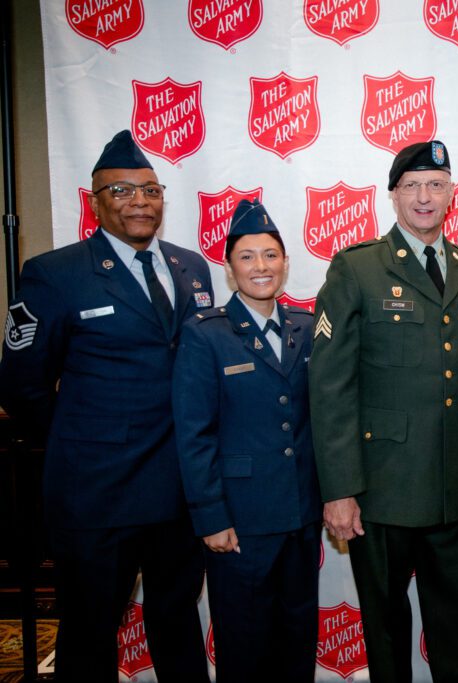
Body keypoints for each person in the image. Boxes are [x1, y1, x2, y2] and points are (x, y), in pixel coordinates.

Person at [0, 130, 212, 682]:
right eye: (121, 191)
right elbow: (21, 386)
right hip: (97, 493)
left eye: (150, 190)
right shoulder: (55, 273)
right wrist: (83, 437)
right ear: (95, 202)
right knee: (90, 633)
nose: (139, 202)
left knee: (177, 622)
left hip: (180, 491)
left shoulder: (192, 267)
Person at [309, 139, 458, 683]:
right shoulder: (357, 269)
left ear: (452, 196)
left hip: (457, 484)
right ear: (392, 195)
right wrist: (339, 488)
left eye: (436, 185)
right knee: (386, 631)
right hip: (381, 490)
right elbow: (330, 388)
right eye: (412, 186)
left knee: (451, 628)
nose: (424, 196)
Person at [172, 200, 320, 682]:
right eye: (248, 257)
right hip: (240, 523)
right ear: (230, 269)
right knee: (244, 644)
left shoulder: (306, 328)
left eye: (271, 255)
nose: (262, 267)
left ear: (286, 262)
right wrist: (211, 517)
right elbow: (194, 435)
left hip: (300, 516)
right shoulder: (206, 335)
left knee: (297, 640)